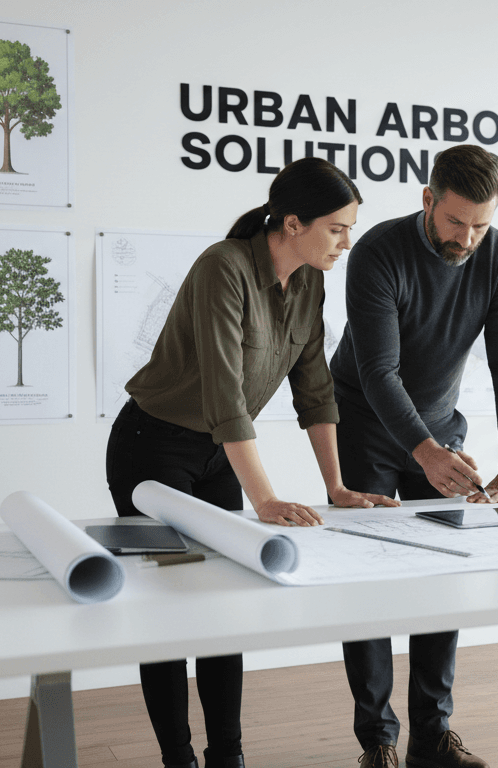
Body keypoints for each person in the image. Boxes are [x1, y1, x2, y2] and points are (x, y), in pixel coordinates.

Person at [105, 157, 398, 768]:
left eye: (350, 229)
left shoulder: (311, 280)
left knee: (225, 607)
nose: (347, 241)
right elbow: (224, 396)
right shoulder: (224, 267)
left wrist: (337, 486)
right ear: (292, 222)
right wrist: (264, 500)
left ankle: (228, 758)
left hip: (218, 457)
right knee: (169, 611)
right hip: (153, 450)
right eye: (337, 228)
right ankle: (179, 759)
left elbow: (315, 387)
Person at [329, 144, 498, 768]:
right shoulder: (378, 252)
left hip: (440, 429)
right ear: (427, 201)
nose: (467, 238)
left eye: (480, 224)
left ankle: (433, 736)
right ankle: (378, 743)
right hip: (364, 425)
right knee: (370, 582)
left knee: (443, 573)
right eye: (455, 222)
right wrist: (423, 453)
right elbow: (379, 371)